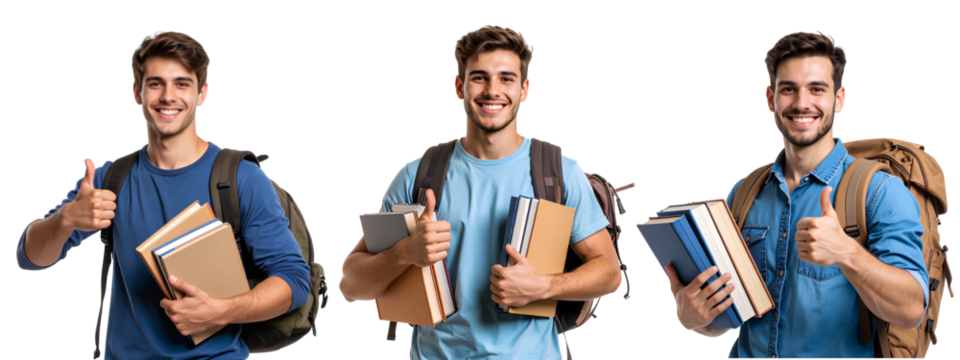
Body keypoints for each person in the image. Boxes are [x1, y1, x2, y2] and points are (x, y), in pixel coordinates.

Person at [14, 30, 311, 359]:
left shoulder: (242, 178)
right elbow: (29, 258)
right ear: (136, 92)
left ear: (203, 93)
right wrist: (65, 219)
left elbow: (295, 281)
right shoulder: (108, 179)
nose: (169, 96)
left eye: (182, 84)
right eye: (156, 83)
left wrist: (221, 311)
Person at [336, 23, 624, 359]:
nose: (492, 90)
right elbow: (350, 286)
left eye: (506, 78)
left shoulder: (559, 173)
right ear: (458, 87)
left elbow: (610, 273)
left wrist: (544, 286)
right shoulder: (417, 176)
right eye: (479, 77)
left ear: (525, 89)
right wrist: (403, 253)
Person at [664, 30, 929, 359]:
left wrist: (847, 253)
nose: (802, 103)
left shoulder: (880, 192)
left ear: (839, 98)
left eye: (817, 89)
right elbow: (726, 319)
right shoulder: (744, 192)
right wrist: (693, 318)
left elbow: (911, 310)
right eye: (789, 89)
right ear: (770, 99)